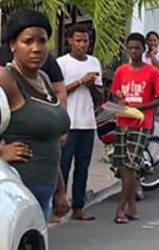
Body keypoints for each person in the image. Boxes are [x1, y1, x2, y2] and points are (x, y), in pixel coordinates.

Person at [0, 9, 71, 221]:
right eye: (28, 41)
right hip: (17, 192)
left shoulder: (43, 78)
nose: (36, 48)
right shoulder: (4, 81)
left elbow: (50, 139)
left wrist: (60, 191)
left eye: (42, 41)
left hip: (45, 191)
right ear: (12, 45)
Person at [111, 32, 159, 224]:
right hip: (122, 122)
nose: (133, 51)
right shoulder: (121, 71)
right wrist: (120, 99)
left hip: (142, 124)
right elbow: (116, 92)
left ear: (144, 49)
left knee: (130, 165)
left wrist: (140, 108)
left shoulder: (152, 72)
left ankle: (120, 209)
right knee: (124, 168)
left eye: (137, 48)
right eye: (130, 48)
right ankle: (132, 208)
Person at [57, 24, 104, 222]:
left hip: (87, 123)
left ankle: (78, 206)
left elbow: (99, 97)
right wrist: (80, 82)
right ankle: (58, 206)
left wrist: (91, 86)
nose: (82, 45)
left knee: (83, 167)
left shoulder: (94, 62)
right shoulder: (62, 63)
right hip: (67, 123)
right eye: (78, 40)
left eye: (85, 41)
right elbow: (57, 93)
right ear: (70, 41)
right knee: (63, 166)